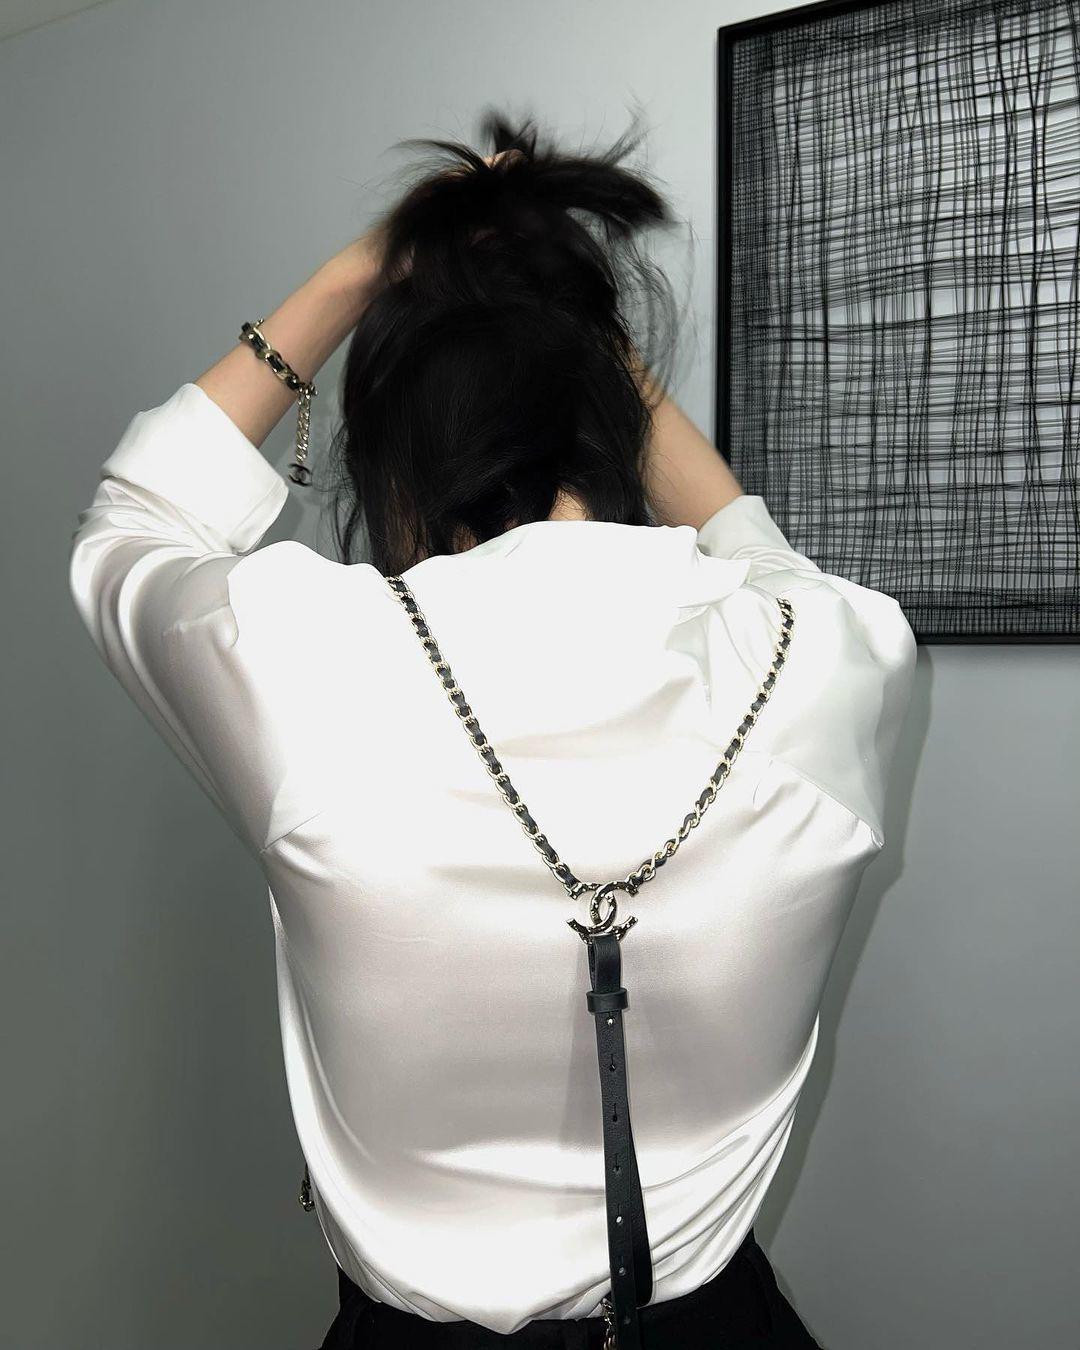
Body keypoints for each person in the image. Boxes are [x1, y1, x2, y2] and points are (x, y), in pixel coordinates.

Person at [68, 112, 916, 1350]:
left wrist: (370, 267)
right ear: (605, 410)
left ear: (397, 453)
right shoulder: (834, 650)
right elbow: (747, 535)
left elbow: (134, 522)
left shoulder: (310, 662)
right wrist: (569, 335)